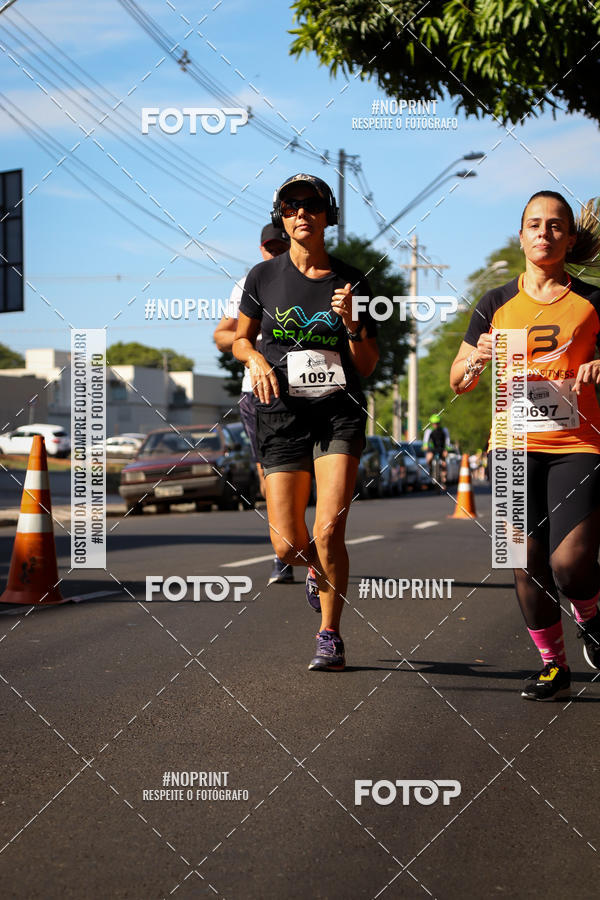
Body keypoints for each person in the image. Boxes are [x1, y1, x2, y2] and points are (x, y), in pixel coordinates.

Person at [450, 191, 600, 701]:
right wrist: (478, 358)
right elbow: (458, 382)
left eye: (556, 225)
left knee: (569, 564)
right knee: (524, 560)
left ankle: (592, 615)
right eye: (534, 225)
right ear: (521, 237)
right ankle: (553, 665)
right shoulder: (494, 303)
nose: (544, 233)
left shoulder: (593, 300)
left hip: (576, 443)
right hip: (512, 445)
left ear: (570, 238)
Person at [232, 173, 379, 670]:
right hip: (281, 414)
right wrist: (252, 359)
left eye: (311, 205)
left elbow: (367, 364)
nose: (301, 213)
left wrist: (355, 323)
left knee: (330, 527)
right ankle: (316, 570)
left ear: (327, 215)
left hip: (338, 414)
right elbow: (238, 338)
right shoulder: (262, 276)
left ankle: (330, 636)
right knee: (289, 543)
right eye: (291, 206)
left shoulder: (352, 280)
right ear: (281, 215)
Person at [213, 224, 294, 585]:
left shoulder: (315, 276)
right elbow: (221, 335)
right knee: (270, 473)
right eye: (268, 247)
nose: (274, 252)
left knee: (311, 473)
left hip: (310, 390)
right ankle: (283, 553)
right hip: (259, 391)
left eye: (281, 246)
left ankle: (310, 546)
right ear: (261, 248)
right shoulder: (251, 282)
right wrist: (255, 340)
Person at [423, 414, 450, 487]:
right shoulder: (429, 430)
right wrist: (425, 446)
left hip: (441, 448)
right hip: (433, 449)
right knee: (429, 458)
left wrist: (446, 449)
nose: (436, 425)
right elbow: (426, 440)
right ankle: (431, 470)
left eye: (437, 423)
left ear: (439, 423)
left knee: (444, 463)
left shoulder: (444, 430)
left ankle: (444, 479)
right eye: (434, 423)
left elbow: (447, 440)